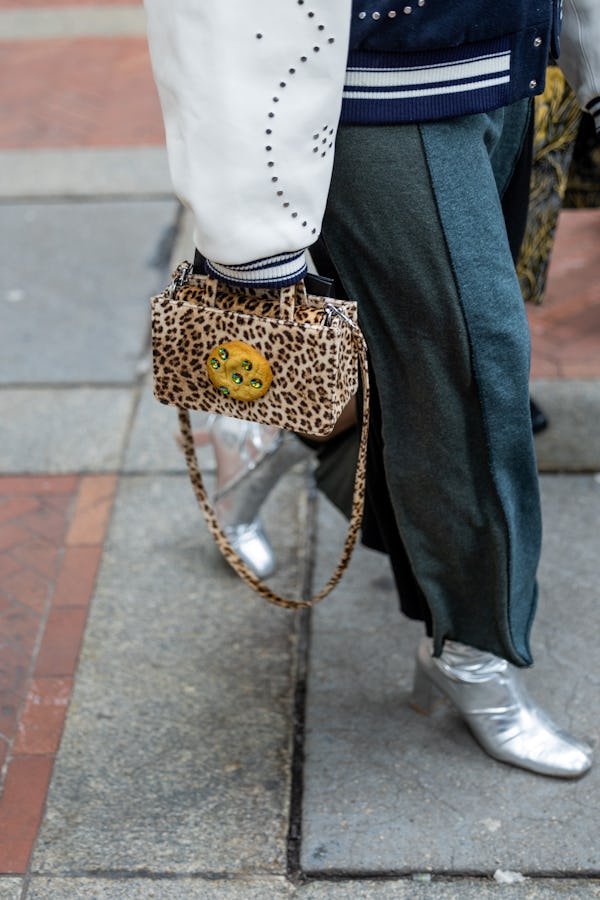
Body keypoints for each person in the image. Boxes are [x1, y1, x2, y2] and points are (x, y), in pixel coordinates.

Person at [144, 0, 599, 778]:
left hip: (515, 53)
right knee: (474, 380)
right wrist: (249, 238)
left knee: (423, 359)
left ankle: (275, 433)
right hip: (386, 76)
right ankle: (473, 651)